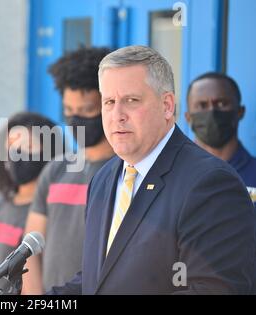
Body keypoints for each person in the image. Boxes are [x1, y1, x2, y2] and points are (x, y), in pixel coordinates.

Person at [50, 45, 255, 294]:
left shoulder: (210, 182)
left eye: (131, 100)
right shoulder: (103, 179)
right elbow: (98, 280)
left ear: (167, 105)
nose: (117, 115)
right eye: (109, 102)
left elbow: (215, 289)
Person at [22, 47, 116, 294]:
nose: (76, 120)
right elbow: (30, 249)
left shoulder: (125, 171)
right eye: (69, 112)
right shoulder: (56, 169)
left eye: (86, 111)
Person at [0, 112, 61, 294]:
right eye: (11, 146)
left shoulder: (47, 213)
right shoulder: (1, 206)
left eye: (28, 146)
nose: (17, 154)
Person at [185, 72, 256, 204]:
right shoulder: (167, 176)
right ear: (188, 118)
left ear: (240, 112)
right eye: (202, 105)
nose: (212, 112)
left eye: (222, 103)